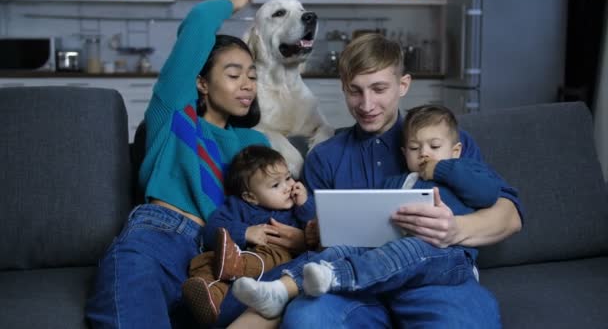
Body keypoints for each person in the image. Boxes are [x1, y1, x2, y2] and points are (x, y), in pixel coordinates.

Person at [223, 33, 523, 328]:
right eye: (355, 91)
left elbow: (509, 217)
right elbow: (317, 239)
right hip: (352, 285)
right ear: (343, 88)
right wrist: (308, 237)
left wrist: (456, 229)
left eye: (379, 89)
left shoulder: (443, 142)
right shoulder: (324, 157)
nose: (366, 104)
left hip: (434, 279)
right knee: (307, 318)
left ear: (403, 85)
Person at [84, 0, 278, 328]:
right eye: (234, 75)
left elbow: (271, 201)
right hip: (162, 236)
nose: (247, 84)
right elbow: (200, 21)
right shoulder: (176, 115)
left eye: (252, 76)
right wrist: (234, 0)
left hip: (222, 256)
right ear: (201, 82)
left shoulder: (253, 142)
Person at [230, 104, 507, 318]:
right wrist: (326, 227)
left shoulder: (465, 169)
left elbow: (488, 192)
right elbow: (375, 217)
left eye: (434, 147)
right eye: (415, 148)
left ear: (456, 150)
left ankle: (337, 276)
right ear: (403, 151)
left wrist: (441, 168)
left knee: (410, 248)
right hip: (393, 249)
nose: (424, 153)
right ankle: (278, 289)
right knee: (342, 250)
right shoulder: (398, 182)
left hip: (447, 257)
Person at [181, 145, 315, 325]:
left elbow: (315, 230)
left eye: (289, 178)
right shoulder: (239, 207)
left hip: (275, 262)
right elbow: (211, 230)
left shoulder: (296, 207)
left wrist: (305, 204)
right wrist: (245, 232)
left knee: (277, 254)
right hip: (233, 260)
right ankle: (211, 296)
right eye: (276, 185)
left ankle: (238, 266)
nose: (288, 187)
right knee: (204, 261)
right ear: (251, 197)